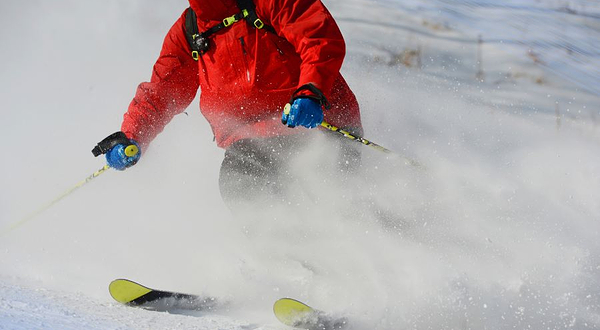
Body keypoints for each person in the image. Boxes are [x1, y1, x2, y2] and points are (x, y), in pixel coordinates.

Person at [93, 0, 363, 210]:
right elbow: (162, 91)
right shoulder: (191, 30)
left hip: (319, 125)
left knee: (326, 193)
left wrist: (311, 92)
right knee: (240, 185)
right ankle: (286, 266)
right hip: (252, 141)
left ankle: (367, 253)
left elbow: (319, 39)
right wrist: (133, 135)